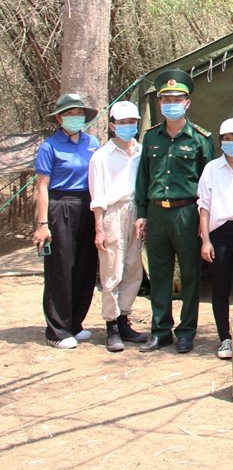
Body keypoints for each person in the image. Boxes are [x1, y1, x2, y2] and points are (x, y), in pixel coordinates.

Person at [135, 70, 214, 354]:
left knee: (191, 274)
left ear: (187, 103)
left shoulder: (201, 139)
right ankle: (160, 330)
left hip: (187, 214)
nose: (171, 103)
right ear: (159, 103)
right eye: (165, 99)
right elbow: (142, 179)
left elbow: (208, 184)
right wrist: (141, 214)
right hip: (157, 214)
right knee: (159, 274)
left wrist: (204, 223)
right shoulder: (150, 138)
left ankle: (186, 331)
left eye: (177, 99)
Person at [33, 93, 100, 349]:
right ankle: (56, 330)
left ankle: (75, 323)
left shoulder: (92, 142)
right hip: (60, 205)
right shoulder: (49, 146)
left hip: (88, 205)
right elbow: (42, 187)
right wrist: (42, 224)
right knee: (61, 268)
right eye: (69, 114)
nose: (75, 118)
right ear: (59, 118)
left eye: (79, 113)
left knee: (85, 265)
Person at [88, 100, 147, 352]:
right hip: (112, 212)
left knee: (134, 267)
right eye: (122, 123)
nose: (127, 127)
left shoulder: (141, 152)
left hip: (136, 212)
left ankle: (124, 318)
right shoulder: (101, 156)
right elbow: (97, 195)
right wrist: (99, 227)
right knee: (112, 269)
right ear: (112, 126)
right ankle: (111, 325)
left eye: (132, 122)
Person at [198, 117, 233, 360]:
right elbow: (203, 205)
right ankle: (224, 338)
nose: (231, 143)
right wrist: (205, 240)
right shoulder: (212, 168)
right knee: (220, 287)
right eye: (226, 139)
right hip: (219, 233)